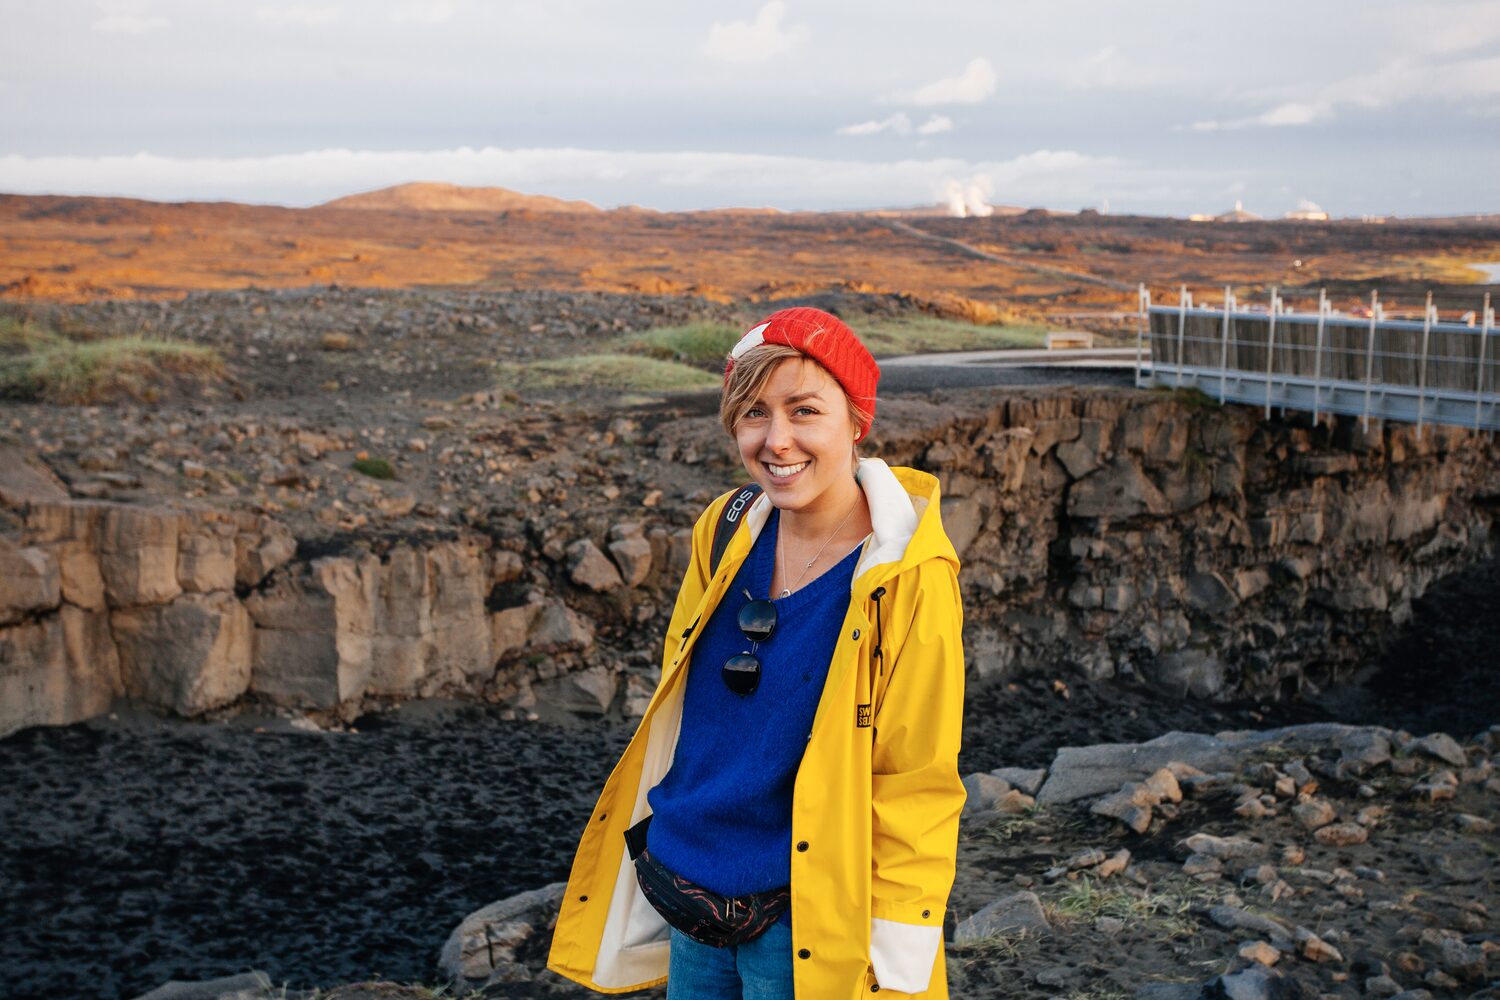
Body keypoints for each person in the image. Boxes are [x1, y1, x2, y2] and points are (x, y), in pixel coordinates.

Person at [547, 307, 966, 999]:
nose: (777, 440)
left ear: (857, 422)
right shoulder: (726, 527)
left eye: (805, 411)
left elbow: (916, 781)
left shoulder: (907, 579)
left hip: (804, 913)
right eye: (753, 413)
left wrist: (896, 957)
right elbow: (688, 703)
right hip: (690, 890)